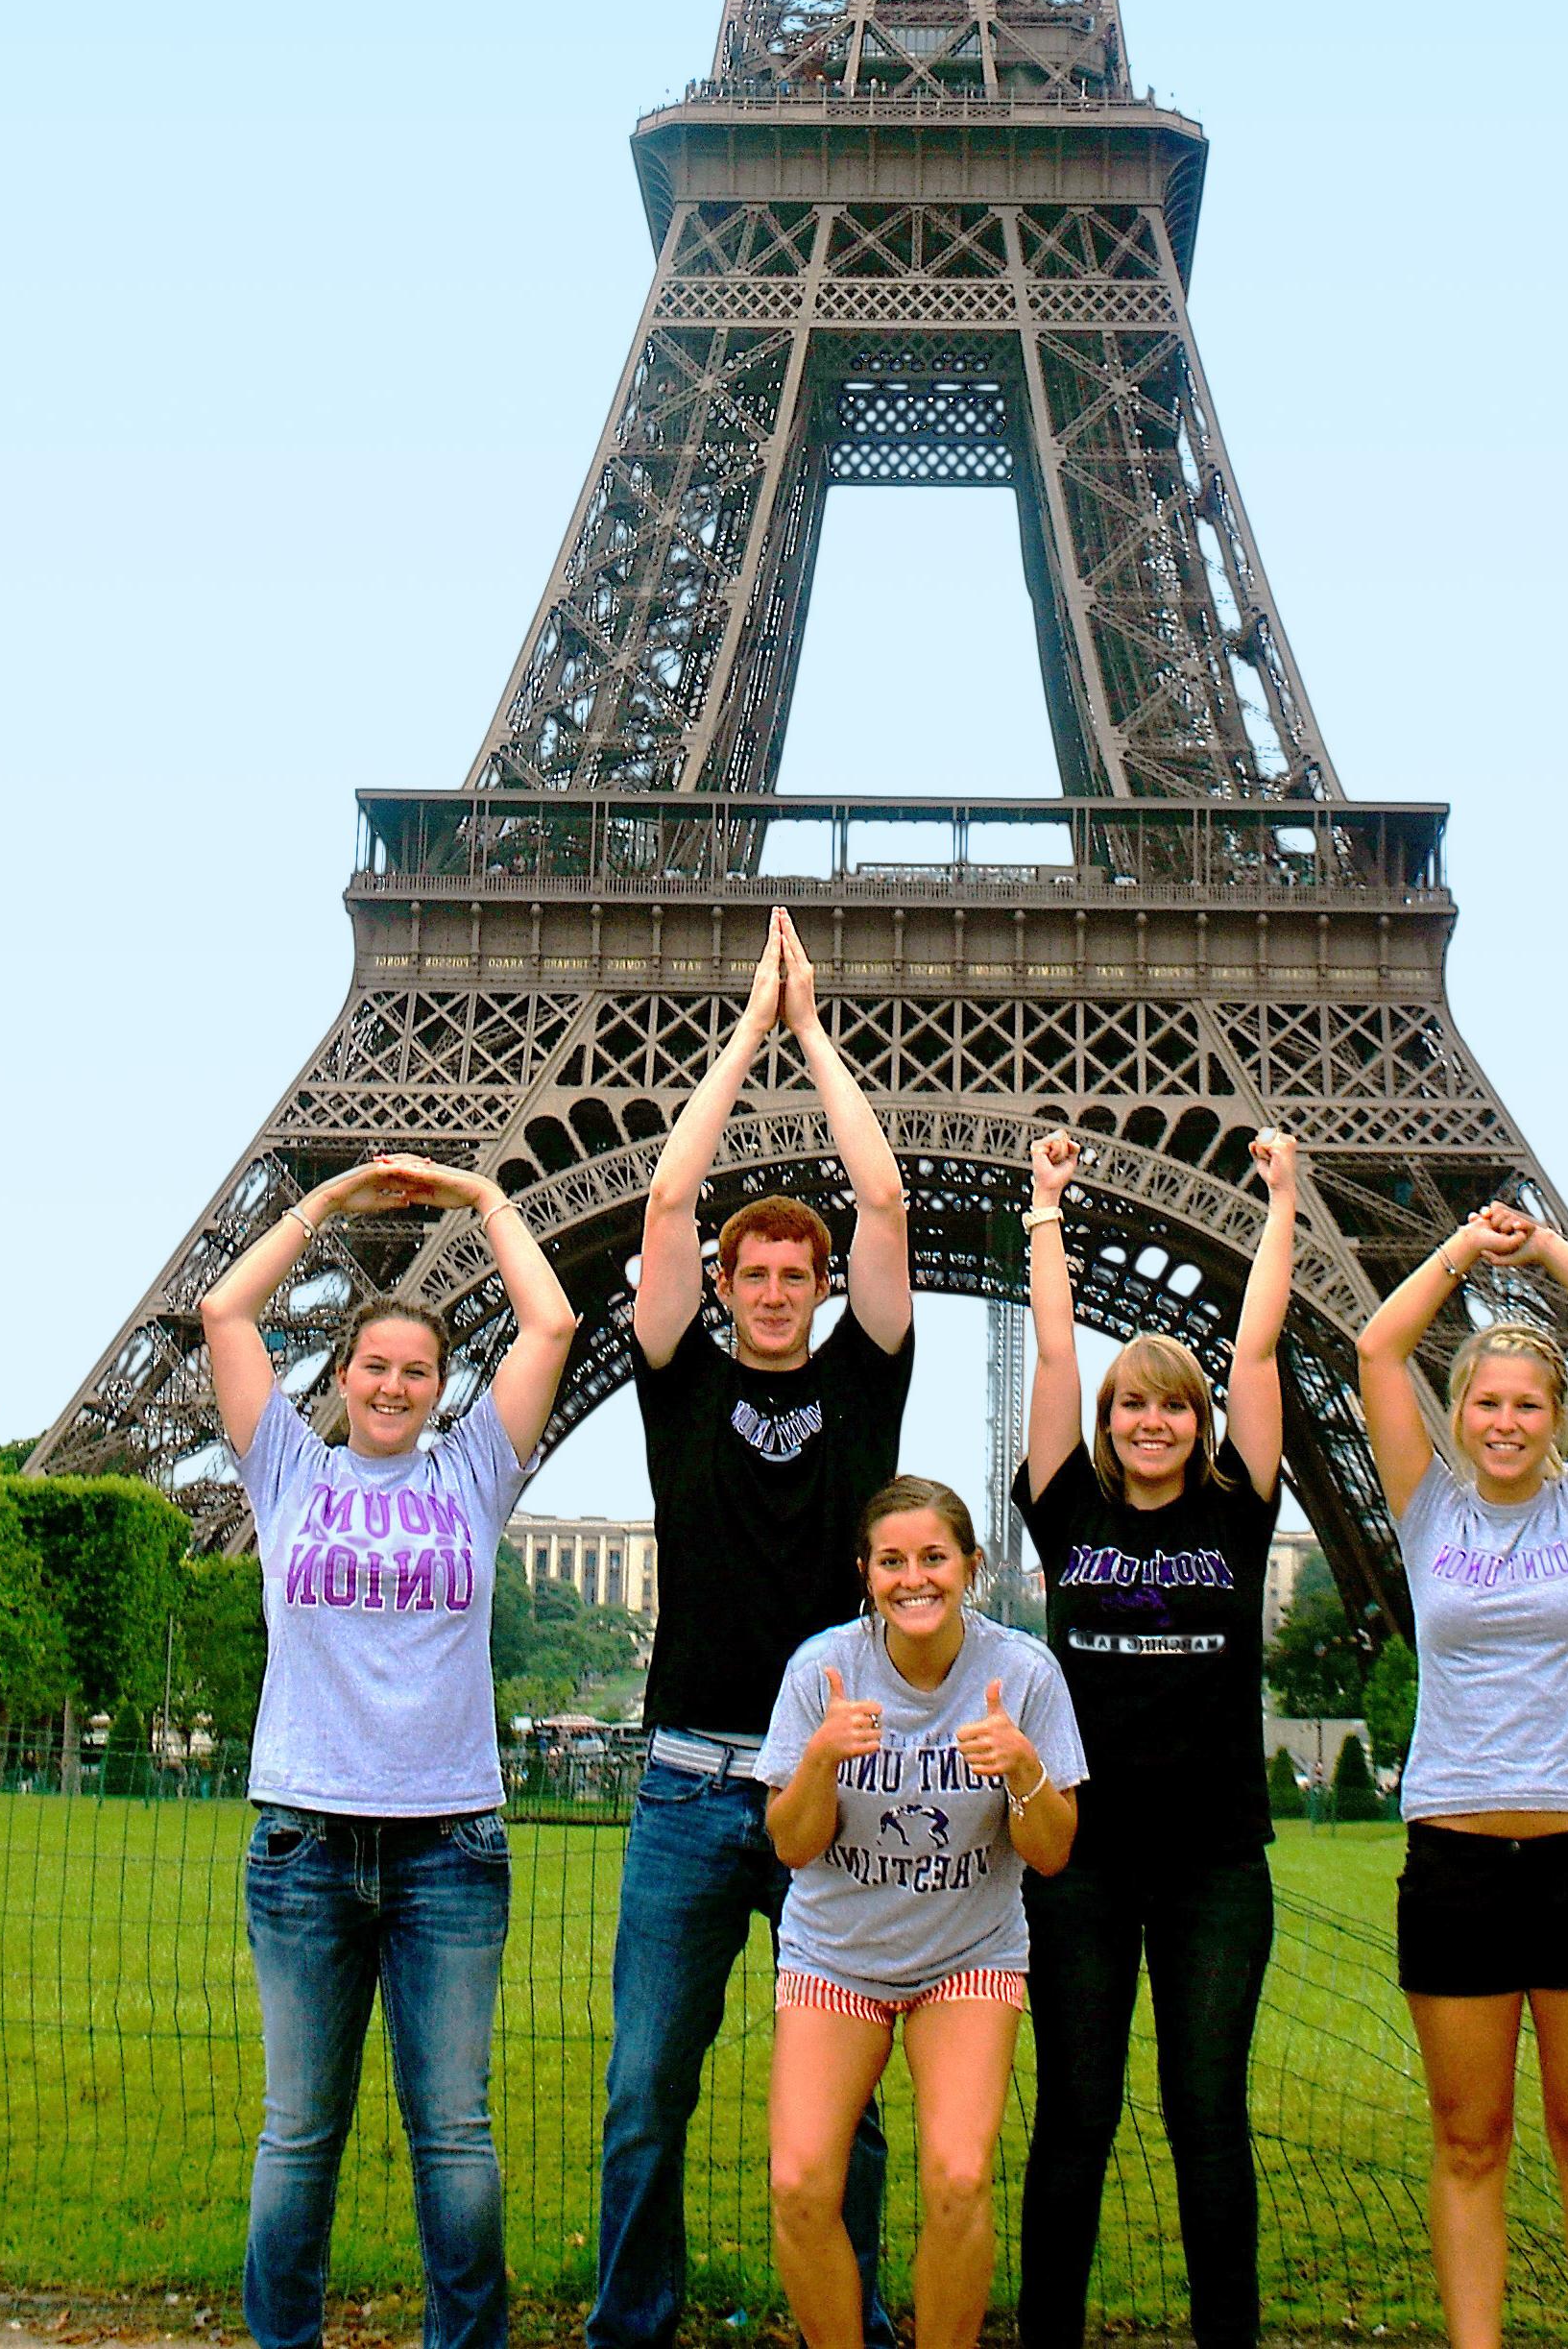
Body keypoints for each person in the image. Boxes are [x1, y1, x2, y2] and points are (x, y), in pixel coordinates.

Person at [592, 910, 914, 2349]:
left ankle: (846, 2321)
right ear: (725, 1291)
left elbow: (889, 1204)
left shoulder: (861, 1387)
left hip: (827, 1791)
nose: (776, 1289)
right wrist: (742, 1031)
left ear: (823, 1288)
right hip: (681, 1785)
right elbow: (665, 1212)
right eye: (755, 1274)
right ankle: (630, 2331)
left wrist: (814, 1034)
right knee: (645, 2095)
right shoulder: (678, 1384)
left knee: (842, 2107)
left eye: (799, 1272)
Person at [198, 1150, 579, 2349]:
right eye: (375, 1365)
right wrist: (326, 1200)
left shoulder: (473, 1474)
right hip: (306, 1838)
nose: (395, 1385)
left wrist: (482, 1198)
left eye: (418, 1371)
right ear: (343, 1375)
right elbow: (223, 1310)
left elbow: (555, 1319)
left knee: (454, 2136)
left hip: (448, 1848)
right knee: (298, 2133)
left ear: (440, 1388)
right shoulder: (284, 1471)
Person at [1357, 1201, 1568, 2349]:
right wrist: (1456, 1253)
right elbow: (1376, 1348)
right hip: (1452, 1859)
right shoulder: (1421, 1505)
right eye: (1484, 1403)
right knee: (1466, 2141)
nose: (1502, 1421)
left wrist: (1537, 1251)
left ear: (1555, 1418)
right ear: (1458, 1415)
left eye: (1524, 1404)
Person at [1010, 1122, 1299, 2349]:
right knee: (1075, 2115)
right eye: (1133, 1405)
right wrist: (1042, 1214)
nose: (1149, 1422)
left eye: (1170, 1407)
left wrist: (1282, 1201)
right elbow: (1055, 1358)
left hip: (1215, 1863)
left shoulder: (1237, 1511)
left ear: (1196, 1422)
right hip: (1081, 1861)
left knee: (1205, 2114)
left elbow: (1259, 1346)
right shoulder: (1064, 1502)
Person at [758, 1478, 1087, 2349]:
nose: (915, 1579)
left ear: (971, 1569)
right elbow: (790, 1845)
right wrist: (821, 1759)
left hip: (966, 1956)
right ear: (865, 1573)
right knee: (797, 2184)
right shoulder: (820, 1670)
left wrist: (1024, 1769)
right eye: (893, 1561)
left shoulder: (1023, 1673)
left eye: (935, 1558)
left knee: (957, 2176)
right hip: (837, 1954)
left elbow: (1052, 1852)